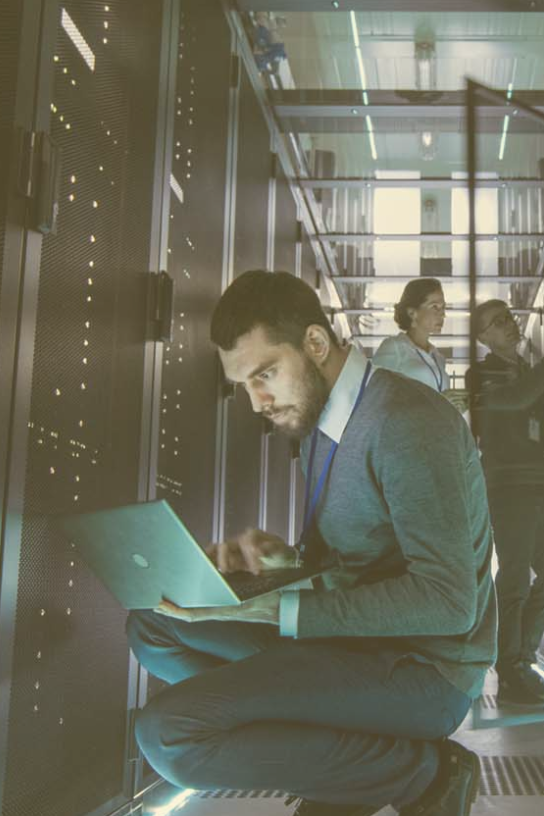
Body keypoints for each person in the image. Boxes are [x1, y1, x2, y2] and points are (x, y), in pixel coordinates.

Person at [126, 270, 497, 816]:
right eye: (245, 385)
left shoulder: (409, 423)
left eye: (266, 374)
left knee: (169, 734)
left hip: (425, 673)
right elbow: (356, 564)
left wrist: (281, 607)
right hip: (356, 648)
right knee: (154, 622)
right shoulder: (326, 421)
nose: (257, 402)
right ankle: (336, 751)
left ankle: (422, 772)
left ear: (316, 343)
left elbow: (447, 600)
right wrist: (280, 564)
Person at [466, 299, 544, 704]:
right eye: (498, 322)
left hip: (539, 484)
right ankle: (511, 667)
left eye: (509, 318)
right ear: (483, 337)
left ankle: (522, 659)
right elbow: (515, 399)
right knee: (514, 577)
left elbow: (533, 419)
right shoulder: (480, 374)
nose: (510, 324)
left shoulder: (526, 372)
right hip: (507, 487)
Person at [372, 278, 469, 412]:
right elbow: (374, 398)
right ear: (412, 313)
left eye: (443, 307)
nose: (443, 314)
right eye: (434, 306)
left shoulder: (438, 357)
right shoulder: (394, 347)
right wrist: (437, 402)